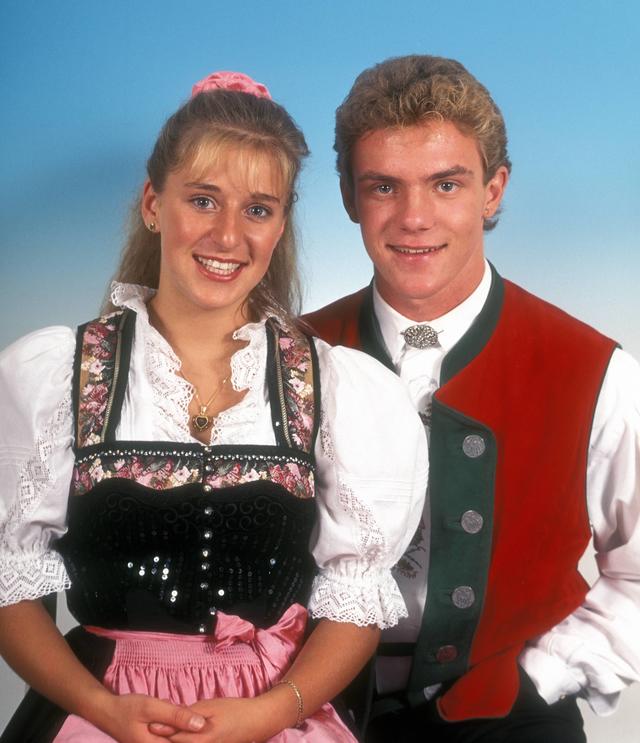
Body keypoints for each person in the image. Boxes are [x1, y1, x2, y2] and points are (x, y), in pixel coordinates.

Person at [0, 71, 427, 743]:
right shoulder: (60, 375)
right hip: (103, 715)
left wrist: (272, 711)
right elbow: (11, 589)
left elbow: (356, 600)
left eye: (258, 209)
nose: (228, 236)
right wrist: (104, 709)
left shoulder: (332, 386)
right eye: (203, 200)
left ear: (280, 224)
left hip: (271, 718)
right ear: (153, 203)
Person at [303, 54, 640, 742]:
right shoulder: (292, 354)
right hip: (312, 712)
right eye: (384, 187)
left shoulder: (593, 369)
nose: (414, 217)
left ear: (493, 190)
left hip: (507, 715)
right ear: (348, 197)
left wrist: (544, 677)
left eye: (446, 184)